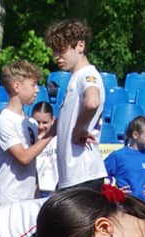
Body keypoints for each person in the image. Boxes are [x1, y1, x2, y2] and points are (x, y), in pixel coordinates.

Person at [43, 19, 106, 191]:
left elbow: (92, 102)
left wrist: (80, 128)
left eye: (61, 50)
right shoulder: (75, 77)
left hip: (83, 173)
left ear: (80, 46)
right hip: (72, 175)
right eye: (54, 51)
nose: (56, 57)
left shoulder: (87, 74)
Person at [0, 60, 55, 205]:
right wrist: (50, 135)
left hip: (27, 196)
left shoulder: (30, 122)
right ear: (17, 86)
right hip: (8, 197)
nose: (37, 90)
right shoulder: (4, 120)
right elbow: (24, 157)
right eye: (33, 85)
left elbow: (33, 159)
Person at [32, 102, 58, 197]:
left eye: (45, 122)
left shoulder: (58, 140)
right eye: (37, 122)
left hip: (55, 191)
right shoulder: (28, 139)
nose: (40, 126)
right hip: (35, 191)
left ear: (52, 121)